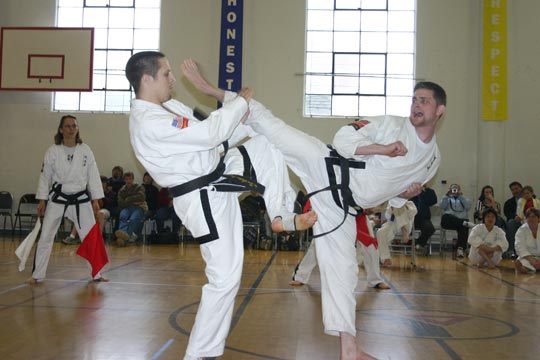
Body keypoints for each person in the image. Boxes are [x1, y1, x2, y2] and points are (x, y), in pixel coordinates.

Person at [188, 63, 446, 358]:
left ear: (440, 110)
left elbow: (395, 194)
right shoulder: (391, 125)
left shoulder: (433, 160)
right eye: (415, 99)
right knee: (271, 127)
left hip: (345, 208)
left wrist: (405, 193)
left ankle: (349, 350)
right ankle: (211, 96)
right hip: (327, 165)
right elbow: (343, 139)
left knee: (344, 272)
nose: (417, 105)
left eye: (424, 101)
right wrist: (381, 148)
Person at [124, 52, 316, 360]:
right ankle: (198, 355)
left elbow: (211, 135)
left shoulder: (169, 106)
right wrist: (238, 102)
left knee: (267, 139)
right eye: (167, 74)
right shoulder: (147, 121)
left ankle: (280, 215)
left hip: (217, 169)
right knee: (224, 278)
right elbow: (209, 133)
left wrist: (242, 117)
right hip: (202, 198)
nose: (173, 79)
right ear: (146, 79)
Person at [26, 115, 106, 284]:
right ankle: (37, 274)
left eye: (74, 126)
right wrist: (42, 199)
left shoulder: (85, 150)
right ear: (61, 130)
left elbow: (93, 175)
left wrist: (96, 198)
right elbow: (44, 176)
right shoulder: (53, 151)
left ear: (77, 129)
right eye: (68, 126)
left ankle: (97, 273)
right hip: (58, 198)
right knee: (46, 235)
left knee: (91, 235)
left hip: (80, 198)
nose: (71, 129)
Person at [376, 201, 417, 267]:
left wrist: (402, 207)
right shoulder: (391, 203)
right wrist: (392, 209)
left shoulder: (410, 203)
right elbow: (388, 217)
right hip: (392, 225)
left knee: (399, 207)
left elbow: (412, 214)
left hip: (406, 225)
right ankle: (386, 259)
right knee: (380, 232)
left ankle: (404, 231)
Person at [440, 184, 474, 258]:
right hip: (448, 221)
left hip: (461, 221)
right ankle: (464, 223)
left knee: (463, 227)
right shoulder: (446, 198)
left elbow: (468, 207)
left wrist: (460, 197)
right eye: (453, 189)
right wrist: (447, 195)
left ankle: (460, 249)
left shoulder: (465, 199)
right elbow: (442, 206)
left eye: (456, 189)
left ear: (459, 190)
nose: (454, 191)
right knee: (446, 216)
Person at [115, 172, 147, 246]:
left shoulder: (139, 187)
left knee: (133, 219)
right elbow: (120, 203)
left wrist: (128, 198)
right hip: (126, 208)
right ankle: (124, 237)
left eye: (130, 179)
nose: (128, 181)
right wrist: (134, 201)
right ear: (124, 180)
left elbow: (141, 197)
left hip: (139, 207)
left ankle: (124, 237)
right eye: (126, 179)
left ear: (133, 179)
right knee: (123, 215)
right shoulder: (122, 190)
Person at [410, 185, 437, 252]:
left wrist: (423, 193)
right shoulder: (410, 190)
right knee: (406, 228)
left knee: (430, 228)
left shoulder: (429, 191)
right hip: (410, 217)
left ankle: (419, 243)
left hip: (423, 217)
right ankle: (409, 243)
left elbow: (432, 202)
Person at [514, 207, 540, 273]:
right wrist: (531, 260)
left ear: (538, 218)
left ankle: (530, 269)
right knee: (522, 261)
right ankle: (526, 268)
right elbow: (519, 247)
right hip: (527, 257)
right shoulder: (521, 230)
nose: (531, 219)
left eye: (533, 217)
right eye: (528, 217)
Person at [504, 181, 523, 258]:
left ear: (521, 189)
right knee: (511, 223)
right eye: (512, 190)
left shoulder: (532, 200)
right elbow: (507, 214)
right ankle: (511, 250)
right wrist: (515, 217)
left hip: (529, 221)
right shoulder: (508, 202)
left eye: (516, 188)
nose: (515, 191)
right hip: (515, 222)